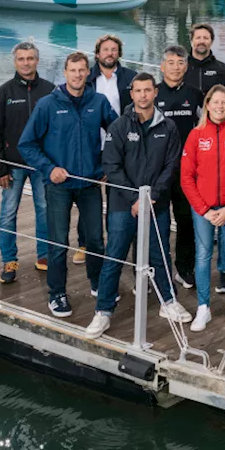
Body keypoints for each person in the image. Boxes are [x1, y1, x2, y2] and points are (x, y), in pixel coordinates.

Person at [85, 73, 192, 339]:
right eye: (138, 91)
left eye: (148, 90)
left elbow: (172, 166)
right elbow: (111, 165)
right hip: (124, 205)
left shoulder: (168, 127)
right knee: (114, 257)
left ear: (155, 92)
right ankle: (103, 311)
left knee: (161, 255)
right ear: (131, 94)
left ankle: (168, 301)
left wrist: (152, 196)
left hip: (157, 204)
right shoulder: (120, 127)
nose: (143, 95)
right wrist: (135, 198)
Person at [18, 52, 118, 318]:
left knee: (96, 240)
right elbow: (26, 144)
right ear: (65, 73)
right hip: (59, 186)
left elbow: (117, 135)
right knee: (58, 243)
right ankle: (57, 294)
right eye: (72, 70)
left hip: (89, 184)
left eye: (82, 70)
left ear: (88, 73)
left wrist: (107, 166)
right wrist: (49, 169)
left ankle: (97, 283)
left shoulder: (99, 102)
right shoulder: (48, 104)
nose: (77, 75)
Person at [181, 85, 225, 332]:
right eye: (215, 102)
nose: (220, 107)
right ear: (208, 105)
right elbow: (187, 177)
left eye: (224, 103)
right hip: (203, 209)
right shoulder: (196, 135)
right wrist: (204, 210)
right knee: (202, 257)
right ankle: (204, 307)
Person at [0, 42, 53, 284]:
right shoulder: (2, 93)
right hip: (12, 165)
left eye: (31, 58)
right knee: (8, 212)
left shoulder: (50, 90)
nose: (26, 62)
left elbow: (58, 129)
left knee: (45, 210)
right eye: (22, 59)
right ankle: (9, 259)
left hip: (41, 164)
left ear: (37, 60)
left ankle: (44, 255)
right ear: (15, 62)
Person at [153, 45, 204, 290]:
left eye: (180, 63)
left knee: (186, 223)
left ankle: (184, 269)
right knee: (156, 223)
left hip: (187, 172)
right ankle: (153, 272)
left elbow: (206, 128)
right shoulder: (152, 94)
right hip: (158, 172)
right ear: (162, 66)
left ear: (186, 66)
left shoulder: (195, 94)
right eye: (171, 63)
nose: (175, 67)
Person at [87, 34, 136, 116]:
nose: (110, 53)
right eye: (105, 50)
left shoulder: (131, 77)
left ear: (119, 54)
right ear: (97, 54)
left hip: (122, 127)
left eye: (114, 50)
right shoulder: (87, 77)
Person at [188, 23, 225, 92]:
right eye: (198, 38)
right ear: (191, 41)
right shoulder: (181, 68)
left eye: (206, 38)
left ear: (212, 41)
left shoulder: (223, 70)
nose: (202, 41)